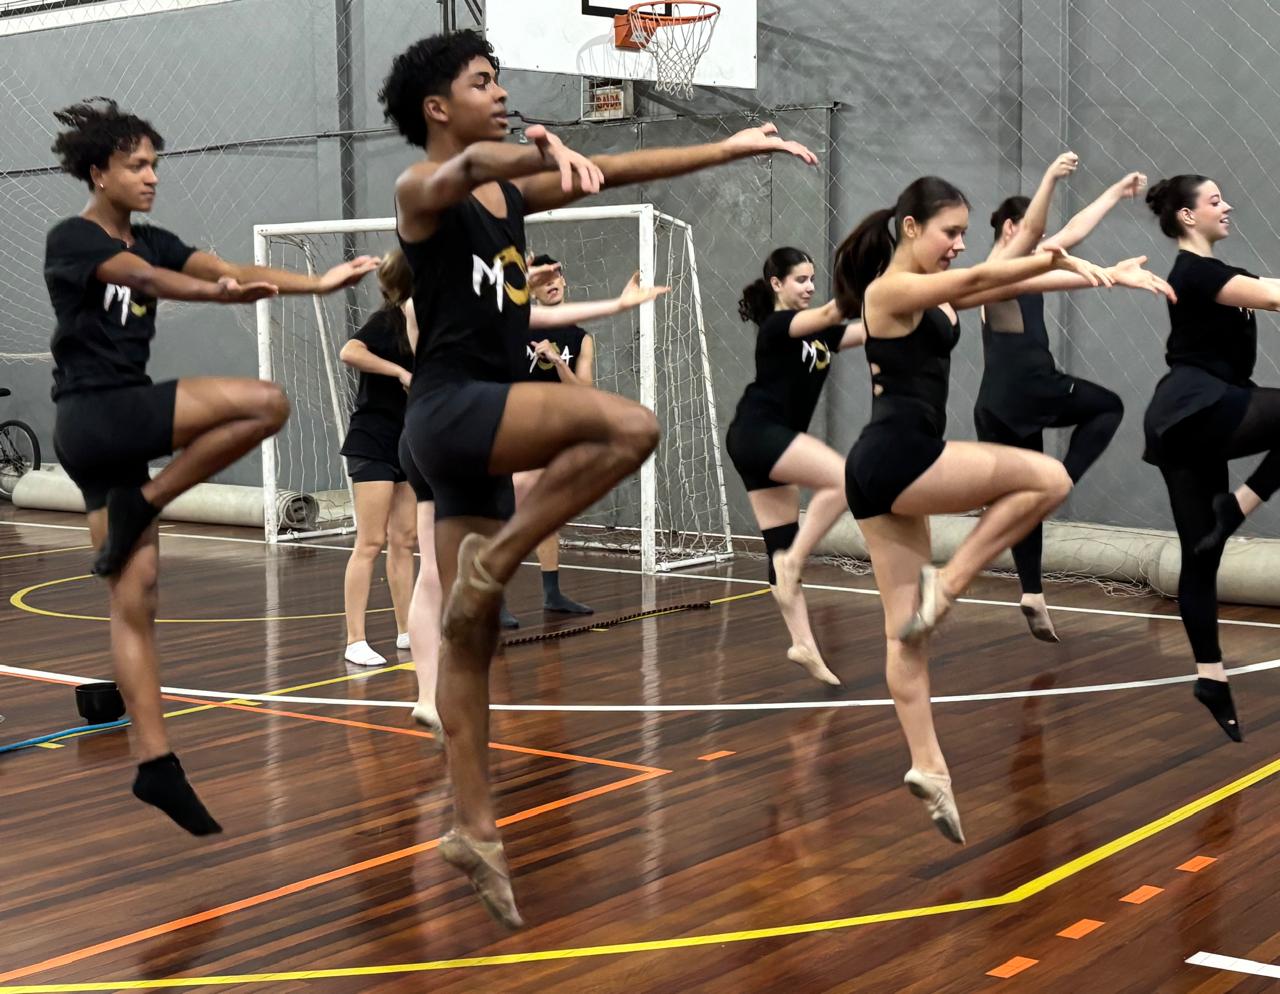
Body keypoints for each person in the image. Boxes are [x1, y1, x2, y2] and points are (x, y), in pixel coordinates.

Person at [380, 28, 816, 926]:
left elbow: (619, 171)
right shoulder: (422, 190)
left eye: (502, 82)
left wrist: (724, 147)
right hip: (451, 409)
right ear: (437, 108)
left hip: (477, 427)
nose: (501, 92)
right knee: (631, 425)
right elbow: (459, 174)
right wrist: (539, 140)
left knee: (471, 644)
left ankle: (474, 829)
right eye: (483, 82)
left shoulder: (507, 192)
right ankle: (497, 568)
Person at [44, 98, 377, 833]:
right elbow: (156, 280)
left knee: (138, 600)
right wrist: (216, 293)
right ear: (99, 172)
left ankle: (155, 766)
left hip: (120, 431)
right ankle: (150, 498)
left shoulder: (156, 236)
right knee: (264, 403)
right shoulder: (74, 238)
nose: (151, 176)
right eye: (136, 165)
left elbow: (226, 266)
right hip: (97, 413)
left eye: (156, 164)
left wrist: (316, 285)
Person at [834, 176, 1112, 845]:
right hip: (899, 456)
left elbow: (997, 284)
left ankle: (929, 768)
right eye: (949, 232)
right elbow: (973, 282)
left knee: (907, 632)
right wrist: (1050, 254)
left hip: (885, 470)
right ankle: (952, 582)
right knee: (1048, 479)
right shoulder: (890, 289)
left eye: (963, 233)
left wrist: (1093, 274)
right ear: (908, 227)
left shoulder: (937, 285)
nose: (959, 244)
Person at [977, 154, 1149, 640]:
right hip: (1030, 390)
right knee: (1108, 406)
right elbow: (1056, 251)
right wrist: (1051, 176)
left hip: (997, 404)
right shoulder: (996, 271)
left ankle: (1031, 592)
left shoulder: (1015, 261)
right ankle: (1063, 482)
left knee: (1025, 496)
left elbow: (1072, 231)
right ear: (1013, 228)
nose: (1042, 240)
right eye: (1032, 231)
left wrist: (1114, 192)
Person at [1142, 174, 1280, 743]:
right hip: (1196, 409)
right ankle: (1240, 506)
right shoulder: (1195, 273)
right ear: (1186, 216)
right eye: (1215, 200)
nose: (1228, 206)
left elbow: (1262, 291)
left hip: (1188, 420)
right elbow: (1274, 295)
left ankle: (1209, 677)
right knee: (1211, 539)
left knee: (1202, 557)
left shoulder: (1224, 275)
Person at [725, 247, 864, 685]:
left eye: (811, 279)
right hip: (759, 432)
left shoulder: (821, 334)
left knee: (780, 544)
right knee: (845, 480)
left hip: (765, 441)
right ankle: (795, 560)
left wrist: (923, 302)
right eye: (799, 279)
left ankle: (803, 643)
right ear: (777, 285)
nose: (807, 286)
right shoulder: (777, 326)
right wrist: (866, 278)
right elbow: (829, 313)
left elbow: (868, 329)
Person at [339, 249, 418, 666]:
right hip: (372, 438)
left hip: (408, 442)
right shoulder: (387, 320)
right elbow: (350, 351)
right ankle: (356, 639)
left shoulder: (429, 324)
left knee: (404, 540)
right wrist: (399, 372)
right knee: (369, 542)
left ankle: (406, 630)